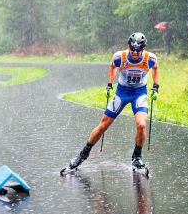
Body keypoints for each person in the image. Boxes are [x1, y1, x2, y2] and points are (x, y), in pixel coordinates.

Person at [67, 32, 159, 170]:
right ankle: (82, 154)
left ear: (143, 49)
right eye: (132, 49)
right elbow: (112, 66)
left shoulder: (150, 58)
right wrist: (109, 85)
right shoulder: (119, 57)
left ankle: (137, 157)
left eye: (138, 50)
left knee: (141, 124)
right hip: (122, 92)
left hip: (139, 93)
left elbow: (156, 68)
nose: (134, 52)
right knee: (103, 125)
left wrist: (155, 87)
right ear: (128, 46)